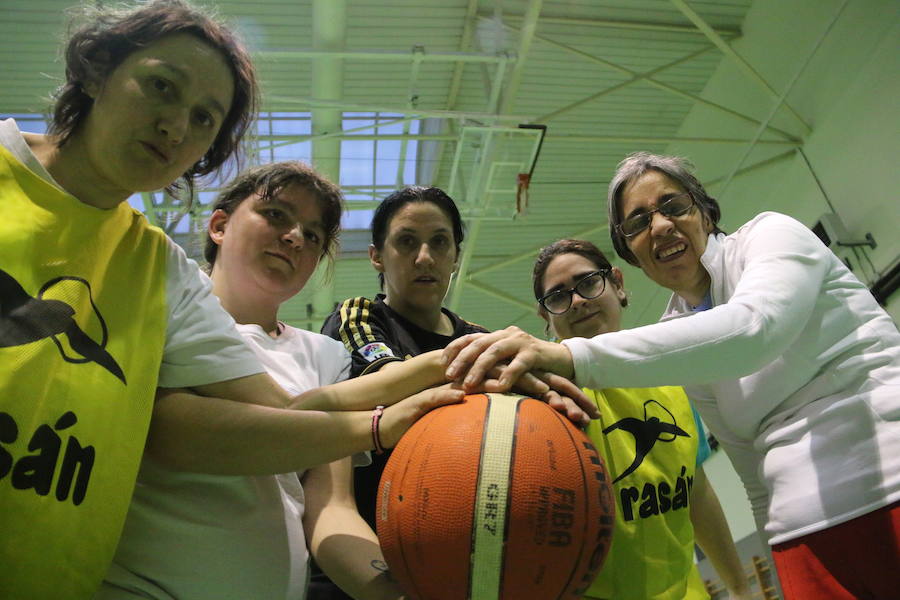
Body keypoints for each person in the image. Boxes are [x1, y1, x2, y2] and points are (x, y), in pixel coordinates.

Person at [0, 3, 463, 598]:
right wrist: (382, 419)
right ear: (95, 68)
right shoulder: (169, 274)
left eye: (203, 119)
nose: (175, 126)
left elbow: (288, 421)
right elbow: (185, 433)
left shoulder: (157, 269)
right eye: (161, 86)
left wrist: (442, 366)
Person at [444, 152, 900, 599]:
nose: (660, 226)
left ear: (704, 211)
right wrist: (772, 549)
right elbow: (748, 464)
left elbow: (754, 330)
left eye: (673, 206)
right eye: (638, 223)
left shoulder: (770, 235)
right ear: (634, 254)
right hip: (801, 534)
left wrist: (570, 356)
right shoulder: (673, 340)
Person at [99, 161, 409, 599]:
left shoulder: (325, 354)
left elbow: (330, 509)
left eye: (314, 235)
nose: (296, 236)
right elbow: (172, 432)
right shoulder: (158, 298)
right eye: (277, 214)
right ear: (219, 225)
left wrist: (394, 591)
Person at [313, 186, 594, 600]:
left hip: (463, 562)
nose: (424, 257)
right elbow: (391, 380)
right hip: (362, 566)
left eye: (439, 242)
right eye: (407, 242)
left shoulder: (482, 339)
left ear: (456, 256)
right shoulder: (360, 316)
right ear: (377, 256)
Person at [532, 238, 750, 600]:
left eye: (588, 282)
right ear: (547, 318)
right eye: (558, 296)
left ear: (617, 283)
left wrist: (740, 588)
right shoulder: (542, 396)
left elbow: (695, 492)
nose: (578, 300)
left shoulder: (669, 377)